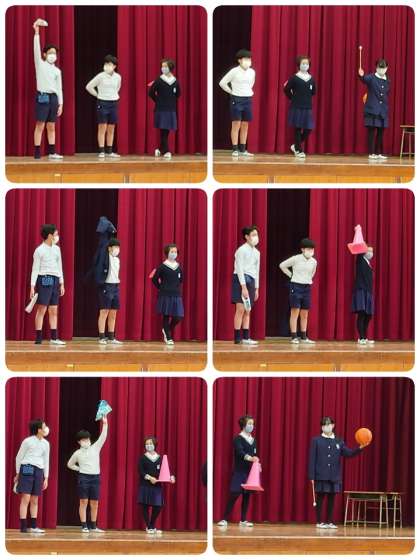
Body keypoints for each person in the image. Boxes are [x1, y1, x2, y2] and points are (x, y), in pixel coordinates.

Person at [308, 416, 370, 529]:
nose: (326, 427)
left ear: (333, 425)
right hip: (320, 475)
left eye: (328, 424)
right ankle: (319, 522)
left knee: (332, 499)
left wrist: (360, 447)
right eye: (324, 425)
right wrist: (311, 475)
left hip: (334, 475)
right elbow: (312, 459)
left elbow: (348, 453)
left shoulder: (338, 441)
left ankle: (329, 522)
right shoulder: (316, 440)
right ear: (321, 427)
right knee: (320, 498)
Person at [67, 416, 109, 532]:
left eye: (87, 439)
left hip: (95, 478)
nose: (86, 441)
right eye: (83, 440)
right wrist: (79, 469)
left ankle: (93, 526)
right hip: (84, 478)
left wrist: (105, 423)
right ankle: (84, 525)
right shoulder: (77, 453)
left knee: (95, 502)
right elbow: (69, 464)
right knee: (83, 501)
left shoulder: (95, 448)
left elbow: (103, 436)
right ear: (79, 442)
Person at [217, 415, 259, 528]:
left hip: (249, 473)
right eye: (249, 423)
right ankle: (224, 519)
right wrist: (250, 458)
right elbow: (240, 452)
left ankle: (243, 520)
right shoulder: (238, 439)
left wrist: (256, 462)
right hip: (239, 471)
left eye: (252, 424)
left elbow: (255, 454)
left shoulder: (253, 440)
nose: (251, 426)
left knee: (246, 496)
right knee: (234, 494)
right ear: (243, 425)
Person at [32, 19, 63, 160]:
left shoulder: (57, 71)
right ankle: (37, 152)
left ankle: (52, 152)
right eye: (50, 53)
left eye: (55, 53)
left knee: (51, 126)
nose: (53, 55)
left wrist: (61, 104)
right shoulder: (40, 64)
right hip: (42, 96)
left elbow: (59, 88)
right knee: (40, 124)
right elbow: (36, 49)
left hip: (53, 98)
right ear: (44, 54)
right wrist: (37, 33)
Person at [30, 223, 66, 345]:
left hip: (55, 279)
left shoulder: (57, 249)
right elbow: (35, 269)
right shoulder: (39, 250)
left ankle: (54, 338)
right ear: (50, 235)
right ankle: (38, 337)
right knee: (42, 309)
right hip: (44, 279)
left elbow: (59, 267)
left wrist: (61, 283)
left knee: (54, 309)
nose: (57, 236)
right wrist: (32, 286)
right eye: (55, 234)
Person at [14, 418, 50, 533]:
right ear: (39, 429)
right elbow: (19, 457)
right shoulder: (27, 441)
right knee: (26, 498)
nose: (46, 428)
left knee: (35, 499)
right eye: (44, 427)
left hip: (39, 470)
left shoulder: (46, 444)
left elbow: (46, 460)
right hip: (27, 467)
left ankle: (34, 526)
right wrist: (18, 473)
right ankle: (23, 526)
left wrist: (46, 477)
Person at [279, 238, 317, 344]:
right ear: (302, 249)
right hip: (296, 286)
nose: (311, 251)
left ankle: (304, 337)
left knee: (305, 313)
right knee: (295, 311)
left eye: (312, 249)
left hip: (307, 287)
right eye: (308, 249)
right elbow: (282, 265)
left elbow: (312, 273)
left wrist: (307, 279)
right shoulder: (296, 259)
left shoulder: (314, 261)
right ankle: (294, 336)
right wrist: (291, 275)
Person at [219, 49, 256, 157]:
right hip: (236, 99)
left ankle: (243, 149)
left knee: (245, 124)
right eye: (245, 59)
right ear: (239, 60)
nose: (248, 61)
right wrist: (231, 91)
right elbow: (222, 83)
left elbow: (251, 83)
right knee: (236, 124)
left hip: (248, 99)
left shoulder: (252, 72)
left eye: (249, 59)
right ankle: (235, 149)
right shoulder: (234, 71)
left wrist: (246, 91)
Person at [137, 437, 175, 534]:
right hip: (145, 485)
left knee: (158, 506)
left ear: (155, 445)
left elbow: (166, 470)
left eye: (150, 443)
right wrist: (150, 478)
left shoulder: (160, 458)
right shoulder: (142, 458)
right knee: (144, 506)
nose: (148, 445)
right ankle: (149, 527)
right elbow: (141, 471)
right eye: (147, 444)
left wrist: (171, 477)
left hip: (157, 486)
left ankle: (152, 525)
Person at [86, 55, 122, 158]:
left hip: (113, 103)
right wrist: (98, 95)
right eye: (106, 63)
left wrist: (112, 95)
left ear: (114, 66)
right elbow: (89, 86)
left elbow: (117, 88)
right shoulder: (100, 76)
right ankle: (101, 150)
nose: (107, 66)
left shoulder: (118, 77)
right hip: (102, 103)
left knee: (111, 127)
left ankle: (109, 151)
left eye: (109, 64)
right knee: (102, 127)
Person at [232, 226, 260, 345]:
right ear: (247, 237)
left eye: (256, 235)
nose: (256, 237)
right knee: (240, 309)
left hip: (251, 281)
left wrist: (256, 288)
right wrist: (243, 287)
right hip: (240, 280)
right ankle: (237, 337)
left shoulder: (257, 252)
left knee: (248, 310)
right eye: (253, 235)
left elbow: (257, 271)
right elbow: (239, 269)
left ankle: (246, 337)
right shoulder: (241, 250)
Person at [284, 55, 316, 158]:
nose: (305, 65)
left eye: (307, 64)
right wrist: (292, 98)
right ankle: (298, 150)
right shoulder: (294, 78)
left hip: (307, 107)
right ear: (299, 65)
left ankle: (295, 145)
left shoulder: (311, 79)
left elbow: (313, 91)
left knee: (308, 128)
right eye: (303, 63)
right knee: (298, 128)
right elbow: (286, 89)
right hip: (296, 106)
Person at [151, 244, 184, 345]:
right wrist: (161, 287)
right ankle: (168, 337)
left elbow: (181, 279)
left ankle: (167, 329)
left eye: (175, 252)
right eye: (172, 252)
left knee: (178, 317)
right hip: (165, 294)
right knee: (166, 315)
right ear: (167, 253)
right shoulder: (162, 266)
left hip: (176, 294)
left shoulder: (178, 267)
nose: (174, 253)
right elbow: (154, 279)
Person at [148, 58, 181, 159]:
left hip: (171, 109)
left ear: (170, 67)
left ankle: (160, 149)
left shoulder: (175, 81)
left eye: (165, 66)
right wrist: (158, 101)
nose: (163, 68)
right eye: (162, 66)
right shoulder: (159, 80)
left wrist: (170, 100)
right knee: (163, 130)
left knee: (166, 131)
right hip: (161, 109)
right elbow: (151, 92)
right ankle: (166, 151)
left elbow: (178, 94)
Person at [358, 59, 390, 159]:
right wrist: (361, 75)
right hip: (372, 109)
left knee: (380, 132)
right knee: (371, 132)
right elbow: (364, 79)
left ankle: (378, 153)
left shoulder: (387, 80)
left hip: (383, 110)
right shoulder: (371, 77)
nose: (382, 69)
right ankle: (371, 153)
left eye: (384, 68)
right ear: (376, 68)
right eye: (380, 68)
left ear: (387, 68)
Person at [96, 238, 123, 345]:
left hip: (115, 286)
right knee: (104, 312)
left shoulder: (117, 260)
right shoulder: (104, 258)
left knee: (113, 313)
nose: (117, 249)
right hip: (106, 286)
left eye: (118, 247)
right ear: (109, 248)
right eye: (115, 247)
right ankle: (101, 337)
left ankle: (111, 337)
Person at [352, 246, 375, 344]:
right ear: (364, 252)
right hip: (361, 290)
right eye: (368, 251)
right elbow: (359, 251)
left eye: (372, 251)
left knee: (368, 315)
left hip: (368, 292)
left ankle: (365, 337)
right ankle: (361, 338)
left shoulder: (368, 263)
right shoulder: (360, 260)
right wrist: (362, 245)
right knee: (362, 314)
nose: (370, 253)